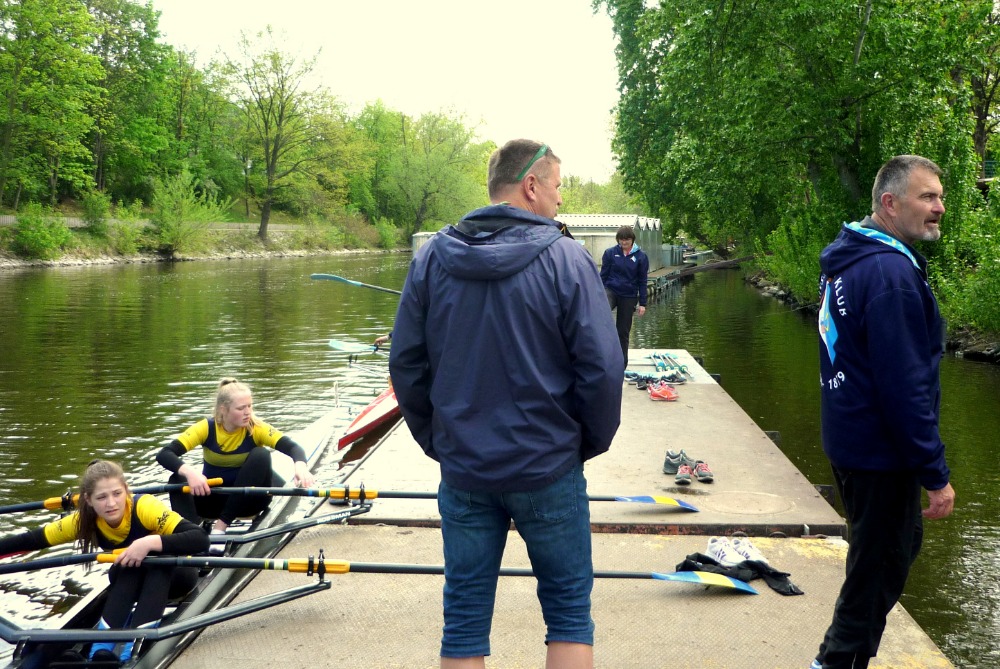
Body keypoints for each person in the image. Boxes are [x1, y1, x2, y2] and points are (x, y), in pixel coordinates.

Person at [389, 139, 623, 669]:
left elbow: (406, 364)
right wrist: (584, 443)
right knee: (568, 613)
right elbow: (603, 367)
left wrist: (440, 440)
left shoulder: (431, 259)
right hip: (548, 464)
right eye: (558, 187)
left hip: (466, 469)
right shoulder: (568, 259)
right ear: (531, 185)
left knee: (464, 618)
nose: (561, 200)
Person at [812, 155, 956, 669]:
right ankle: (834, 663)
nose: (939, 207)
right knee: (874, 577)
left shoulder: (854, 260)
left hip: (852, 443)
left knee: (888, 554)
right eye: (927, 196)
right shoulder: (889, 273)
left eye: (940, 196)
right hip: (879, 452)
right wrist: (935, 474)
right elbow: (904, 388)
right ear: (890, 203)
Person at [0, 460, 209, 664]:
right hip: (131, 579)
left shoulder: (144, 506)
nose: (111, 503)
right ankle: (100, 651)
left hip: (176, 577)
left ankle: (133, 649)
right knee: (125, 565)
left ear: (126, 490)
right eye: (101, 497)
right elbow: (32, 540)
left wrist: (149, 542)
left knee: (151, 562)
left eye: (117, 493)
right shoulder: (84, 520)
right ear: (88, 500)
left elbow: (199, 538)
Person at [156, 378, 315, 551]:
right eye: (241, 408)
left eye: (250, 406)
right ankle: (190, 536)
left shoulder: (256, 428)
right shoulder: (206, 428)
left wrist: (300, 466)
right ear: (223, 409)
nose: (248, 413)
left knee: (261, 454)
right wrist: (190, 473)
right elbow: (164, 454)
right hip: (213, 500)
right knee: (177, 478)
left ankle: (221, 527)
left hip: (249, 502)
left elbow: (293, 447)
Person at [600, 225, 648, 368]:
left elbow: (642, 281)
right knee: (600, 311)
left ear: (632, 240)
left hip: (629, 295)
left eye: (626, 240)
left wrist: (643, 303)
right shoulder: (610, 253)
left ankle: (621, 364)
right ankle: (601, 357)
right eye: (621, 240)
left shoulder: (641, 257)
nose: (624, 242)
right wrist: (596, 292)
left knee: (623, 331)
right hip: (611, 290)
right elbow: (603, 275)